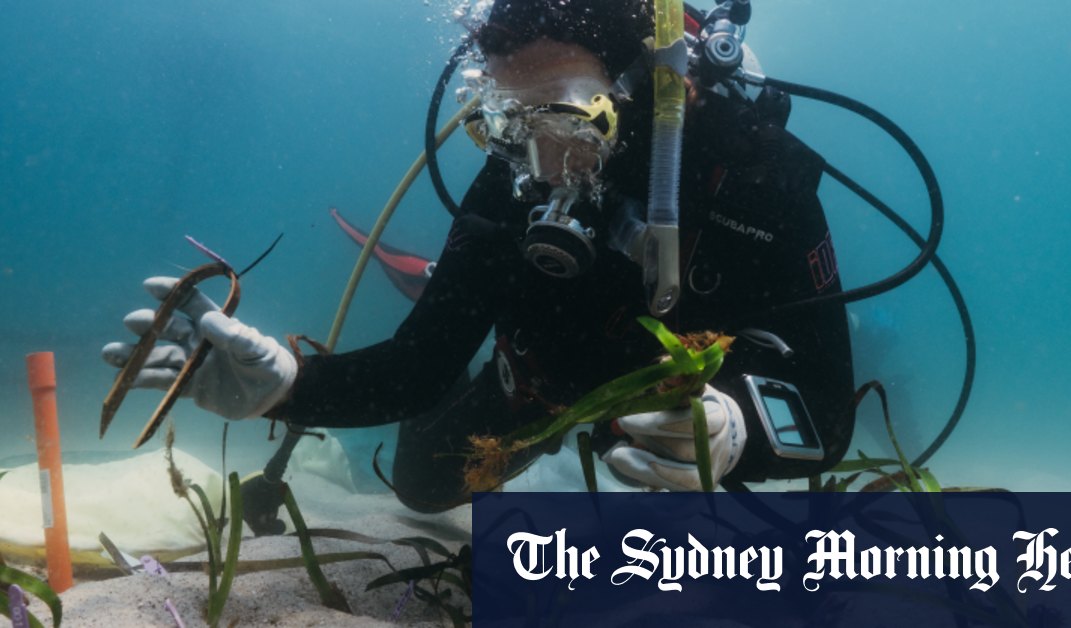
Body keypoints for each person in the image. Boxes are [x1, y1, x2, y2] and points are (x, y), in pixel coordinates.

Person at [102, 0, 855, 519]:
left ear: (658, 90)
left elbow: (827, 408)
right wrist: (290, 389)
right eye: (506, 121)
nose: (538, 160)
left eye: (564, 115)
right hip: (541, 374)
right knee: (419, 486)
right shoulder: (511, 181)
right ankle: (447, 291)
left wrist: (736, 429)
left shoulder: (762, 185)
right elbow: (415, 368)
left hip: (685, 405)